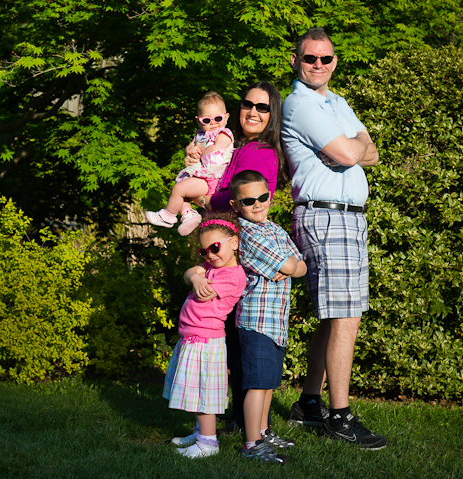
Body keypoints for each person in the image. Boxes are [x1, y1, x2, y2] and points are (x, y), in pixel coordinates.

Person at [281, 27, 387, 450]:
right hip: (326, 216)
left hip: (347, 217)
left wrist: (352, 144)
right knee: (346, 316)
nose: (318, 66)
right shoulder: (299, 104)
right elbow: (349, 154)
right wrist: (349, 146)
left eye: (325, 59)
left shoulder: (336, 102)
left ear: (335, 62)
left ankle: (309, 402)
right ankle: (339, 417)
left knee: (334, 314)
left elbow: (370, 152)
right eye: (310, 59)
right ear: (295, 60)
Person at [188, 81, 289, 436]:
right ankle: (242, 422)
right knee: (232, 338)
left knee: (240, 339)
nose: (254, 112)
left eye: (263, 108)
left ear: (272, 114)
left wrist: (203, 200)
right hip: (228, 247)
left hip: (241, 250)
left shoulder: (259, 152)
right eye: (248, 104)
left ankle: (252, 427)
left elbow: (237, 196)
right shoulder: (239, 145)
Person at [228, 170, 306, 463]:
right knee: (257, 384)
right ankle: (252, 443)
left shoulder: (274, 228)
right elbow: (288, 262)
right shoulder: (247, 233)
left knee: (269, 383)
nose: (258, 204)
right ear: (236, 205)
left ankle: (263, 430)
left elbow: (300, 265)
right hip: (256, 320)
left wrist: (290, 267)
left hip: (276, 322)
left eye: (263, 197)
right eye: (249, 201)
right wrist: (289, 266)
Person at [163, 214, 247, 458]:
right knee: (195, 389)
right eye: (204, 251)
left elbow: (204, 293)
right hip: (193, 338)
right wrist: (196, 275)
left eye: (215, 247)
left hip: (205, 340)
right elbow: (189, 274)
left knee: (202, 392)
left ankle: (208, 443)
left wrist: (199, 277)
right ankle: (201, 431)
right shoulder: (213, 268)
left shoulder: (232, 275)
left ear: (234, 243)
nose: (210, 255)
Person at [146, 91, 235, 236]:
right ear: (199, 121)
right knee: (181, 187)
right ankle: (188, 214)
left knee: (179, 189)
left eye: (217, 118)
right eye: (207, 120)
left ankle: (168, 216)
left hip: (213, 179)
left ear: (226, 117)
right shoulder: (200, 135)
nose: (213, 123)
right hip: (202, 176)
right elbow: (190, 147)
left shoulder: (224, 133)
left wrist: (202, 151)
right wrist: (190, 149)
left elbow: (219, 147)